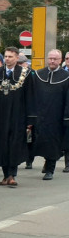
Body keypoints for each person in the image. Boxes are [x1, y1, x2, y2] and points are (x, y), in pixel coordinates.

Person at [0, 47, 32, 186]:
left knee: (14, 143)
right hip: (0, 114)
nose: (7, 59)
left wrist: (30, 118)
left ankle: (12, 174)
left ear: (17, 58)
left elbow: (30, 96)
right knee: (2, 144)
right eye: (5, 56)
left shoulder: (25, 73)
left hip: (17, 114)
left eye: (10, 56)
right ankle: (5, 174)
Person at [27, 49, 69, 180]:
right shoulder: (39, 75)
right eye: (50, 58)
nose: (52, 61)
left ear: (60, 60)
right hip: (40, 114)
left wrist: (66, 117)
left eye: (55, 59)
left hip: (56, 115)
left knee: (53, 142)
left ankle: (50, 169)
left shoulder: (66, 77)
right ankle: (45, 161)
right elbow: (32, 95)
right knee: (39, 140)